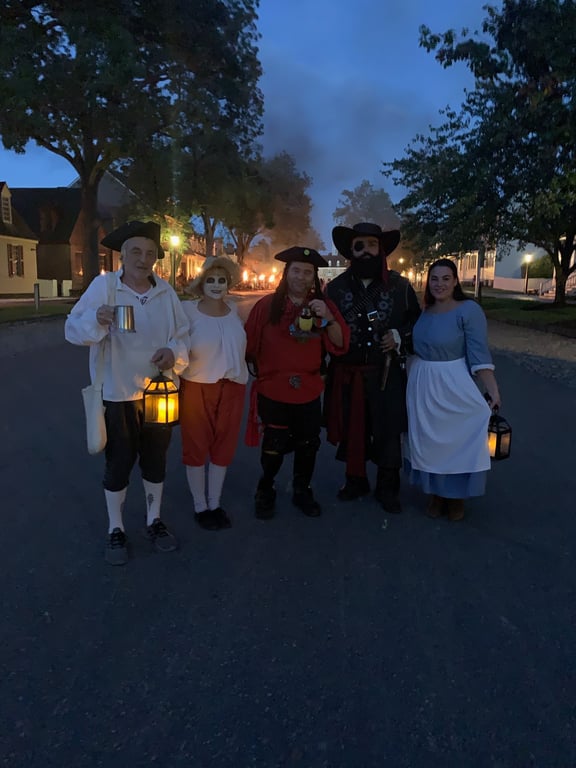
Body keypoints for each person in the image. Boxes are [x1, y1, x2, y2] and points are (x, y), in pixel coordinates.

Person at [65, 221, 189, 565]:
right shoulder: (105, 287)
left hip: (158, 392)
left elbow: (182, 335)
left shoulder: (166, 292)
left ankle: (154, 520)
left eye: (150, 253)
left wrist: (173, 352)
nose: (143, 259)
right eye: (136, 251)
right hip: (117, 392)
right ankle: (115, 528)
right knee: (118, 462)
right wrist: (97, 319)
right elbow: (72, 329)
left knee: (156, 459)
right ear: (123, 255)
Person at [245, 246, 350, 519]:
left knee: (308, 444)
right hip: (273, 389)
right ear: (286, 273)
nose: (301, 277)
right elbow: (247, 345)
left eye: (307, 272)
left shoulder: (321, 307)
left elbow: (340, 343)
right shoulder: (266, 306)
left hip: (309, 390)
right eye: (296, 271)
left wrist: (328, 318)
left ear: (314, 277)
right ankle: (266, 487)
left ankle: (302, 489)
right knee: (274, 443)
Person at [324, 222, 421, 513]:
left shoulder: (401, 287)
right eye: (359, 246)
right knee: (353, 428)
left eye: (372, 245)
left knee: (388, 431)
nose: (366, 251)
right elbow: (323, 328)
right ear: (350, 251)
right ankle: (355, 481)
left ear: (381, 250)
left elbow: (418, 324)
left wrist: (399, 336)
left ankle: (387, 487)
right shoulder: (335, 289)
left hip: (386, 373)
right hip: (348, 374)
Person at [404, 258, 501, 521]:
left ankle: (456, 496)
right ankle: (436, 493)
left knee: (456, 438)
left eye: (446, 278)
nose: (440, 284)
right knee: (429, 440)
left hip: (453, 383)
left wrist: (492, 389)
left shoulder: (468, 310)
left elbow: (478, 352)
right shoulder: (425, 311)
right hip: (422, 384)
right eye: (434, 279)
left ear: (456, 281)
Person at [179, 256, 248, 531]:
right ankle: (200, 506)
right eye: (211, 280)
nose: (217, 285)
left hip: (232, 386)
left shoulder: (234, 312)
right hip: (197, 385)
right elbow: (172, 340)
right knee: (196, 445)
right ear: (201, 283)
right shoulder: (188, 311)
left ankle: (215, 503)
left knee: (224, 446)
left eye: (221, 280)